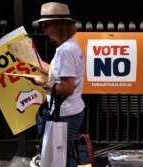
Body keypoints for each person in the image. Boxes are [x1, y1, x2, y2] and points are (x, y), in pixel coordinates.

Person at [30, 2, 85, 167]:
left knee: (62, 159)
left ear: (59, 25)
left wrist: (42, 83)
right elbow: (56, 72)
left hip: (65, 114)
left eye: (46, 25)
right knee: (62, 154)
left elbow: (67, 88)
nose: (44, 29)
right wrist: (36, 62)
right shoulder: (71, 45)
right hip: (72, 111)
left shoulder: (65, 50)